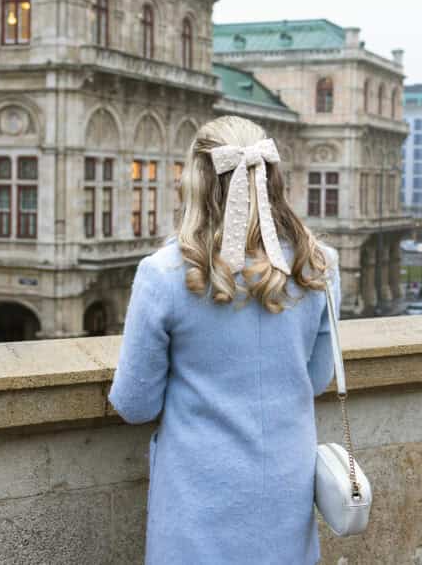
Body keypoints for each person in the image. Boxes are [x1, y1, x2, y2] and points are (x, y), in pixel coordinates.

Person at [107, 116, 342, 565]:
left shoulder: (165, 274)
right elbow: (314, 379)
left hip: (199, 503)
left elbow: (135, 404)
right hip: (286, 493)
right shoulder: (319, 266)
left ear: (195, 179)